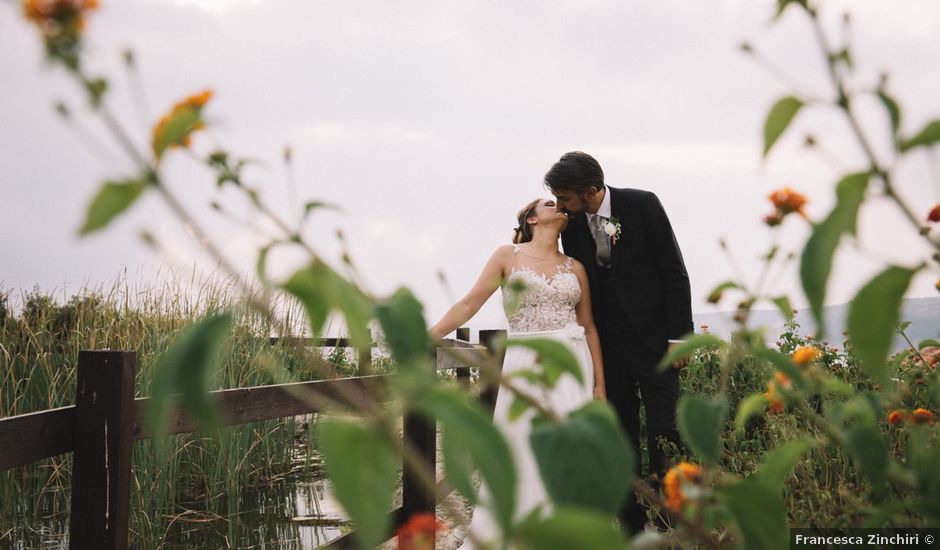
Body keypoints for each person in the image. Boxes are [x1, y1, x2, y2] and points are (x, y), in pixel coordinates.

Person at [429, 198, 606, 548]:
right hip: (527, 361)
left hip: (573, 363)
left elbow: (588, 326)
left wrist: (600, 384)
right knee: (522, 446)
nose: (560, 208)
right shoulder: (507, 256)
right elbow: (469, 303)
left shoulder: (576, 267)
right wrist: (430, 336)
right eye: (550, 203)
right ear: (532, 218)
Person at [544, 151, 693, 533]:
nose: (560, 205)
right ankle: (632, 526)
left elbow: (674, 272)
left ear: (591, 191)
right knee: (621, 436)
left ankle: (672, 519)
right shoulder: (571, 225)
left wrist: (680, 338)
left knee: (666, 431)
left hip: (657, 345)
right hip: (608, 350)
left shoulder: (642, 204)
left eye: (565, 198)